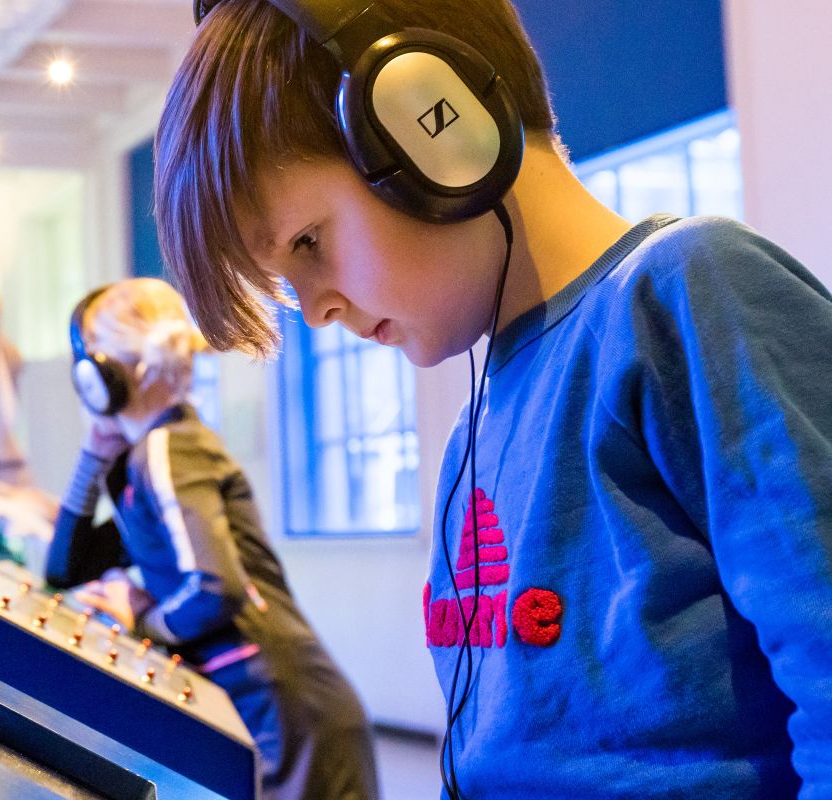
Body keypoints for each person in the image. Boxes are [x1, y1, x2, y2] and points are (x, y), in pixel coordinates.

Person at [152, 1, 832, 798]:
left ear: (428, 130)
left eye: (309, 242)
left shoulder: (687, 291)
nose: (317, 310)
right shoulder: (478, 424)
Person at [46, 277, 378, 800]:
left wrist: (144, 619)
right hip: (285, 705)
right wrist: (92, 457)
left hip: (289, 709)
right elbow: (64, 570)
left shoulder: (166, 452)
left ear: (101, 375)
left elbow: (213, 588)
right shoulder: (153, 459)